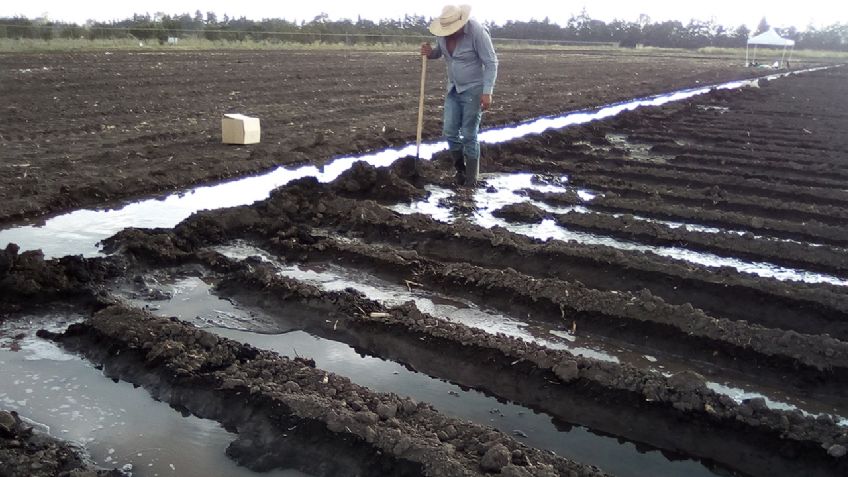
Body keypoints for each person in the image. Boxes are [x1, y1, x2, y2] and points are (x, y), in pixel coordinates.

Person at [421, 5, 498, 186]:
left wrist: (487, 92)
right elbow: (440, 52)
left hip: (473, 89)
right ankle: (461, 170)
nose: (448, 33)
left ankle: (471, 181)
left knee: (469, 135)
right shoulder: (442, 34)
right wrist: (430, 53)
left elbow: (491, 62)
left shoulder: (477, 32)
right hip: (453, 88)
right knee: (449, 131)